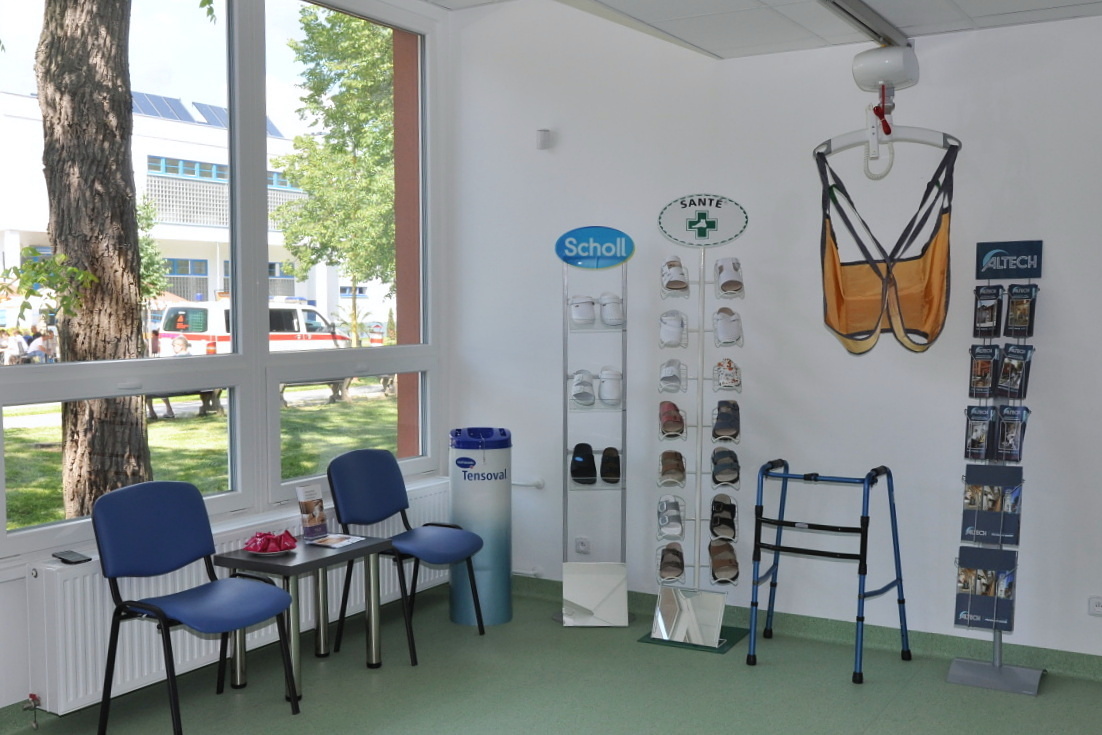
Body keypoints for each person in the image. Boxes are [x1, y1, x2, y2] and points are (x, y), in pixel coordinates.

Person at [146, 337, 191, 420]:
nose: (173, 348)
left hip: (177, 387)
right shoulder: (191, 356)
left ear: (181, 346)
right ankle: (204, 408)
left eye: (174, 345)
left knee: (149, 388)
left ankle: (155, 412)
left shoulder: (176, 358)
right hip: (192, 387)